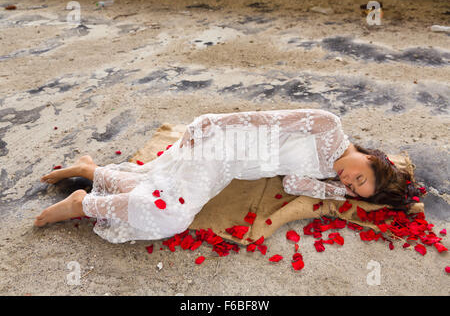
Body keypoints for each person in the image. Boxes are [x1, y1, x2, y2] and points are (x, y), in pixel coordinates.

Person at [34, 109, 421, 243]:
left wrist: (341, 194)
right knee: (172, 215)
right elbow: (264, 117)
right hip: (222, 141)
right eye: (358, 176)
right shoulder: (328, 126)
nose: (348, 180)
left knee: (156, 189)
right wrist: (210, 123)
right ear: (370, 158)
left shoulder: (329, 174)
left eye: (356, 188)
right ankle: (84, 203)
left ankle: (91, 171)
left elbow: (291, 184)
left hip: (228, 167)